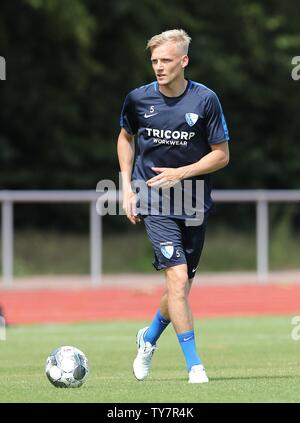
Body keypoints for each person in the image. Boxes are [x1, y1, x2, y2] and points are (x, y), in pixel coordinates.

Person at [117, 29, 230, 383]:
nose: (159, 67)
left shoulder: (205, 100)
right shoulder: (137, 99)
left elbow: (221, 155)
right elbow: (125, 137)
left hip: (194, 204)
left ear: (184, 61)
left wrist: (184, 172)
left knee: (180, 287)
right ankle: (195, 365)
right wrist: (126, 188)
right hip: (154, 202)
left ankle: (148, 337)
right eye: (154, 61)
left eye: (166, 60)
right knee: (177, 279)